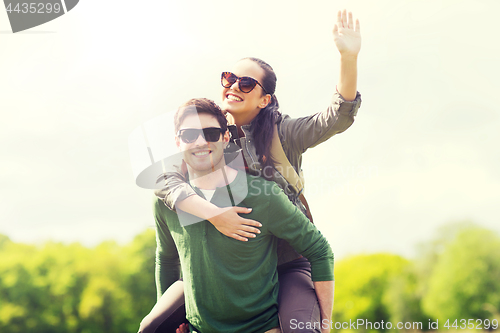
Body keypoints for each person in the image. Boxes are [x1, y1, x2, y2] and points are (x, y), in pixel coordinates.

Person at [153, 10, 361, 332]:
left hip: (286, 259)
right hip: (232, 263)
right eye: (229, 78)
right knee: (155, 325)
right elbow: (164, 179)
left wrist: (348, 57)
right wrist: (214, 214)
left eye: (246, 83)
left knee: (300, 329)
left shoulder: (285, 133)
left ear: (265, 99)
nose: (234, 85)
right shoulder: (209, 137)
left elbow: (337, 118)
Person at [140, 98, 334, 333]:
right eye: (189, 135)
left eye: (211, 133)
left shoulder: (262, 195)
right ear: (177, 141)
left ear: (225, 137)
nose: (200, 142)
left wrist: (324, 325)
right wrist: (172, 319)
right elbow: (166, 259)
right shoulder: (165, 202)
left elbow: (319, 249)